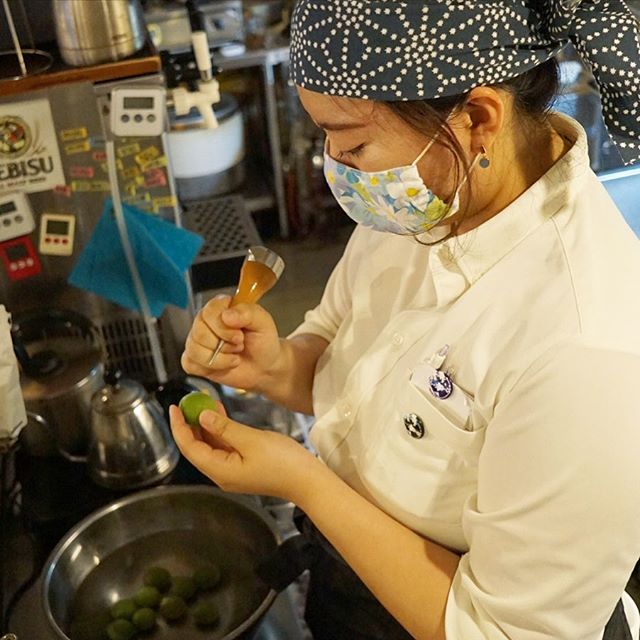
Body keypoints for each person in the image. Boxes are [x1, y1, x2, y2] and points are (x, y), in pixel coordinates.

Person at [168, 0, 640, 638]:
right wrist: (276, 366)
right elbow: (344, 357)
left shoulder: (588, 347)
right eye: (326, 137)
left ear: (477, 119)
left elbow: (503, 630)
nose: (336, 166)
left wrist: (303, 481)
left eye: (352, 142)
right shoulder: (429, 198)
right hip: (347, 573)